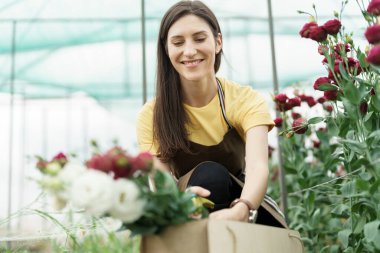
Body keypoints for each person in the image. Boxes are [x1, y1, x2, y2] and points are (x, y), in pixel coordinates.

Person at [137, 0, 287, 228]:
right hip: (185, 207)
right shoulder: (152, 114)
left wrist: (243, 208)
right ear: (167, 50)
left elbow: (258, 166)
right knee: (209, 176)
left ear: (218, 42)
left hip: (242, 200)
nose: (189, 51)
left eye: (199, 39)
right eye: (178, 42)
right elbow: (161, 182)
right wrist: (180, 203)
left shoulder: (244, 100)